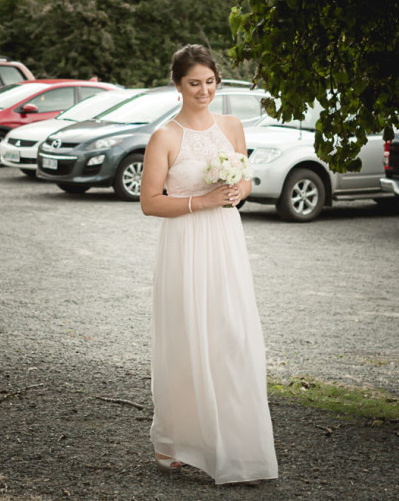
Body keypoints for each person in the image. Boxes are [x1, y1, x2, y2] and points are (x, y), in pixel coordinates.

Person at [139, 44, 278, 485]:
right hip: (185, 245)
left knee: (232, 338)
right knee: (186, 340)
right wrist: (202, 200)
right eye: (194, 83)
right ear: (178, 85)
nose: (204, 90)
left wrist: (239, 192)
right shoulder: (165, 136)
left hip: (225, 243)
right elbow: (149, 203)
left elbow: (245, 178)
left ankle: (240, 450)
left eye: (210, 82)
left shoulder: (232, 126)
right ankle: (172, 441)